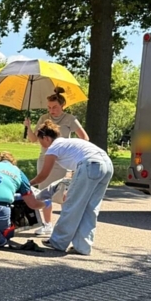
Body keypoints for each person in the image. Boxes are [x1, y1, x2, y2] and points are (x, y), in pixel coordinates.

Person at [30, 121, 114, 255]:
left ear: (46, 138)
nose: (41, 145)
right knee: (90, 208)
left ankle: (57, 241)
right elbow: (73, 171)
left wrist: (27, 184)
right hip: (107, 165)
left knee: (72, 205)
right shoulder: (68, 143)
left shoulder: (53, 148)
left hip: (90, 164)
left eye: (40, 141)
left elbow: (43, 175)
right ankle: (83, 246)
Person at [24, 87, 89, 236]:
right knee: (44, 192)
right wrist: (28, 127)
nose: (52, 110)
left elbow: (84, 138)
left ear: (62, 106)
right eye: (49, 107)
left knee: (62, 193)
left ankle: (69, 224)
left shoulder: (70, 119)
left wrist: (73, 152)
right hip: (45, 158)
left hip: (63, 161)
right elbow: (34, 139)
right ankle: (47, 224)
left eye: (55, 107)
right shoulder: (44, 118)